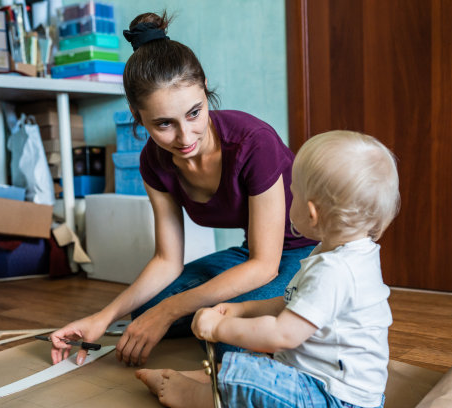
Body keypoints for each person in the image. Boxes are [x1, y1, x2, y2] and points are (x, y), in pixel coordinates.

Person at [50, 12, 317, 367]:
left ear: (204, 88)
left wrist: (171, 309)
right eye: (164, 124)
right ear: (137, 114)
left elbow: (265, 265)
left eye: (194, 112)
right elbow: (167, 260)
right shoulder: (153, 163)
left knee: (228, 340)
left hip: (303, 253)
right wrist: (103, 317)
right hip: (249, 256)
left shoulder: (254, 143)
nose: (185, 136)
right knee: (142, 312)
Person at [136, 130, 400, 408]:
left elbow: (281, 335)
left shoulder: (334, 272)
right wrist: (243, 310)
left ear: (311, 213)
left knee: (250, 371)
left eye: (292, 192)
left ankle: (197, 397)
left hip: (333, 399)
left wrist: (220, 328)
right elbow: (293, 302)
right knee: (254, 361)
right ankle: (218, 380)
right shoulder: (346, 252)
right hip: (325, 383)